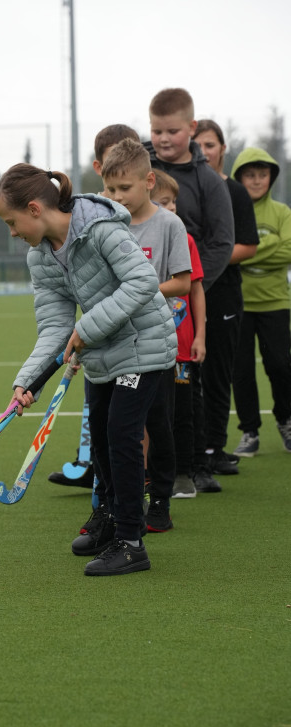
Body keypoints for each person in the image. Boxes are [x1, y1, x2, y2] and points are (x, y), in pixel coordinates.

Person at [0, 163, 177, 576]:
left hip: (144, 345)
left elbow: (143, 283)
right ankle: (111, 519)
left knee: (121, 434)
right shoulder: (40, 257)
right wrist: (28, 382)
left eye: (12, 221)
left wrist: (86, 327)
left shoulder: (101, 228)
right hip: (101, 354)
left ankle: (131, 544)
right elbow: (55, 327)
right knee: (103, 443)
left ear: (35, 208)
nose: (12, 231)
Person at [145, 87, 235, 493]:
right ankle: (151, 468)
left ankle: (199, 463)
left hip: (198, 296)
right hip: (145, 304)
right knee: (152, 395)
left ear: (192, 128)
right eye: (157, 130)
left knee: (194, 388)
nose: (163, 139)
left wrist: (191, 282)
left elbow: (221, 242)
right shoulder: (140, 170)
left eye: (173, 130)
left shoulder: (208, 181)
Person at [98, 139, 190, 532]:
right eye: (110, 189)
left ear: (149, 181)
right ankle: (115, 503)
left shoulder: (169, 224)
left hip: (155, 342)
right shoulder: (105, 225)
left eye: (124, 189)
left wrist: (140, 290)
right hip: (116, 343)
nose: (116, 197)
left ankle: (162, 500)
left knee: (159, 424)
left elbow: (183, 283)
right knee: (118, 428)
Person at [47, 123, 141, 490]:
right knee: (101, 418)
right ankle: (92, 471)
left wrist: (87, 327)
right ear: (99, 167)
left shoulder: (124, 218)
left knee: (130, 426)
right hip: (102, 335)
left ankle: (147, 485)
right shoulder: (89, 215)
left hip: (139, 337)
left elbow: (140, 282)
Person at [192, 120, 259, 474]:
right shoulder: (184, 188)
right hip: (184, 295)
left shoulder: (235, 193)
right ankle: (190, 449)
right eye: (197, 145)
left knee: (218, 373)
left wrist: (201, 263)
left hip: (223, 297)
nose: (203, 152)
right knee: (187, 377)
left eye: (210, 145)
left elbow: (247, 245)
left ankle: (213, 447)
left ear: (222, 149)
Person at [230, 147, 291, 455]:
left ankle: (286, 420)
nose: (256, 181)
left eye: (262, 175)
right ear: (239, 178)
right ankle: (250, 431)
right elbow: (226, 251)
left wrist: (248, 250)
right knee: (241, 372)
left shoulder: (282, 212)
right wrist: (272, 244)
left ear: (271, 177)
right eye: (250, 175)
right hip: (239, 304)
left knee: (280, 365)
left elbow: (290, 250)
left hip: (276, 303)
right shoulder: (231, 208)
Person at [150, 169, 206, 499]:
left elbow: (196, 290)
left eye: (173, 202)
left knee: (182, 412)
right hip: (145, 349)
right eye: (163, 202)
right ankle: (150, 476)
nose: (171, 209)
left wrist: (200, 336)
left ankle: (184, 474)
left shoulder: (185, 240)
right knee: (149, 415)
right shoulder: (133, 239)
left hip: (182, 348)